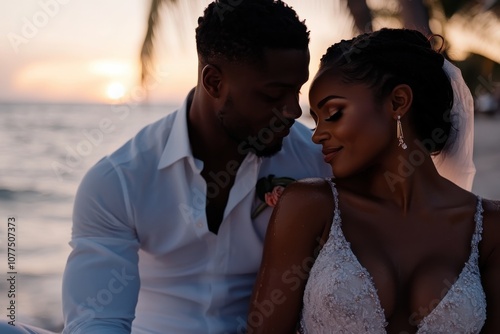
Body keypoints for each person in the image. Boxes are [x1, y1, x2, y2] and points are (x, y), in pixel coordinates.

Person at [0, 1, 331, 334]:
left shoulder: (316, 162)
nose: (291, 110)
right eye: (274, 95)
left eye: (297, 91)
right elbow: (98, 320)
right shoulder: (119, 181)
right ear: (213, 82)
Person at [247, 28, 500, 333]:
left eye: (333, 113)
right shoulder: (310, 206)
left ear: (398, 102)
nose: (317, 135)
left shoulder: (491, 227)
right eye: (314, 119)